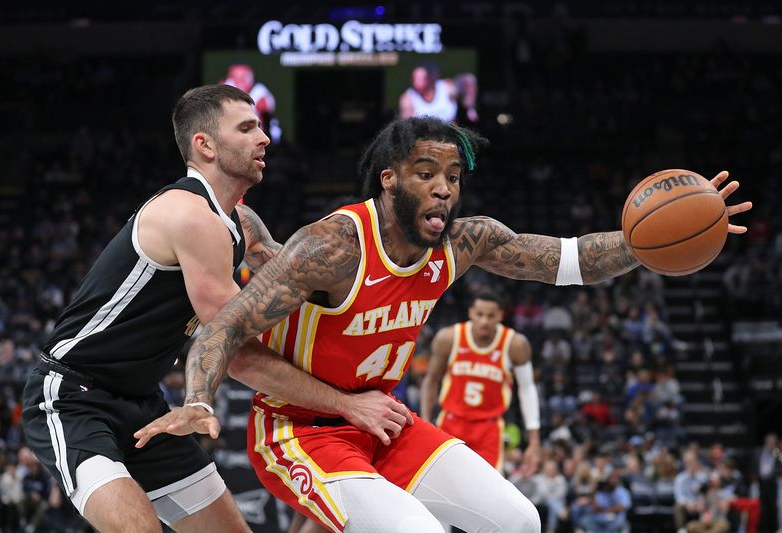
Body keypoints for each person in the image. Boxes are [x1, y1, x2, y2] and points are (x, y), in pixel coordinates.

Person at [138, 117, 751, 532]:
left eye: (453, 177)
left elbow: (571, 260)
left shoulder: (464, 242)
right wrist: (197, 398)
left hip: (387, 423)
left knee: (521, 522)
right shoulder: (332, 247)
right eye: (426, 174)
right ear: (390, 179)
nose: (443, 190)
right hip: (299, 431)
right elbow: (223, 329)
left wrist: (648, 243)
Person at [22, 85, 411, 533]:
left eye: (261, 127)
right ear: (203, 145)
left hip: (144, 402)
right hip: (72, 395)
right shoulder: (190, 216)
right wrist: (347, 403)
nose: (264, 138)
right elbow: (239, 353)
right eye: (247, 128)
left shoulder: (242, 223)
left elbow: (311, 291)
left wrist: (390, 291)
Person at [420, 290, 541, 474]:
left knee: (486, 494)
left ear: (500, 315)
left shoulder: (515, 344)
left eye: (491, 315)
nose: (484, 321)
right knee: (443, 483)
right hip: (451, 423)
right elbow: (431, 380)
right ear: (470, 313)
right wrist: (426, 422)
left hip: (489, 428)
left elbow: (527, 389)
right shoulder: (449, 338)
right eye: (480, 314)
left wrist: (534, 440)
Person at [399, 64, 478, 124]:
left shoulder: (446, 88)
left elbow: (469, 79)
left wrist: (470, 108)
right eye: (414, 78)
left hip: (450, 139)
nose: (416, 82)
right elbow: (407, 127)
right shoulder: (408, 98)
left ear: (429, 78)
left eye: (421, 78)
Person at [222, 63, 280, 141]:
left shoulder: (260, 95)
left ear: (251, 77)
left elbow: (266, 123)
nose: (240, 81)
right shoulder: (224, 89)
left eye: (243, 77)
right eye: (236, 77)